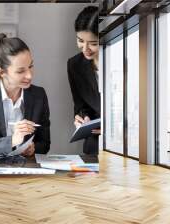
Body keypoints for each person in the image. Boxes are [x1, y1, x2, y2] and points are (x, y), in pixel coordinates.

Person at [68, 6, 100, 155]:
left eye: (93, 43)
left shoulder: (122, 57)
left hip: (125, 141)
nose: (85, 48)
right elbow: (80, 105)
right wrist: (81, 118)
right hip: (93, 143)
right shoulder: (75, 65)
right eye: (80, 40)